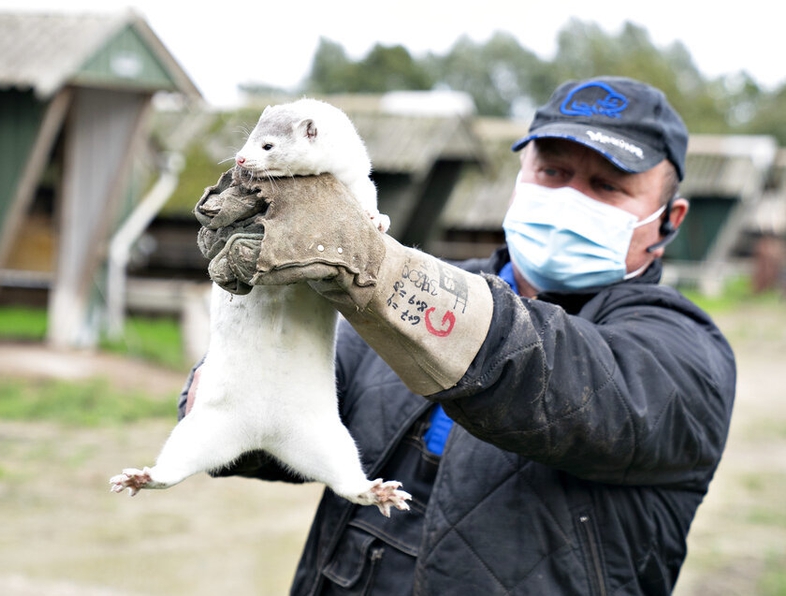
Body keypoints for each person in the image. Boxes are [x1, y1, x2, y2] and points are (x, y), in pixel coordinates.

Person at [184, 76, 737, 595]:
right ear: (521, 176)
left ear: (670, 220)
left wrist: (378, 271)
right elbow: (282, 429)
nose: (571, 197)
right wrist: (224, 390)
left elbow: (557, 373)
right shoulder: (411, 286)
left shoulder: (685, 352)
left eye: (606, 185)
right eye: (553, 172)